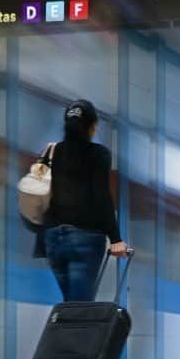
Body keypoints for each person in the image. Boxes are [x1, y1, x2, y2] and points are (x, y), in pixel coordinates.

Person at [43, 100, 129, 301]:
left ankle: (68, 330)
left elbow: (41, 192)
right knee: (79, 310)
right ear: (93, 126)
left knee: (71, 306)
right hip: (84, 238)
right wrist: (115, 239)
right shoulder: (98, 154)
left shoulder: (52, 152)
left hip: (53, 239)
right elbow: (101, 195)